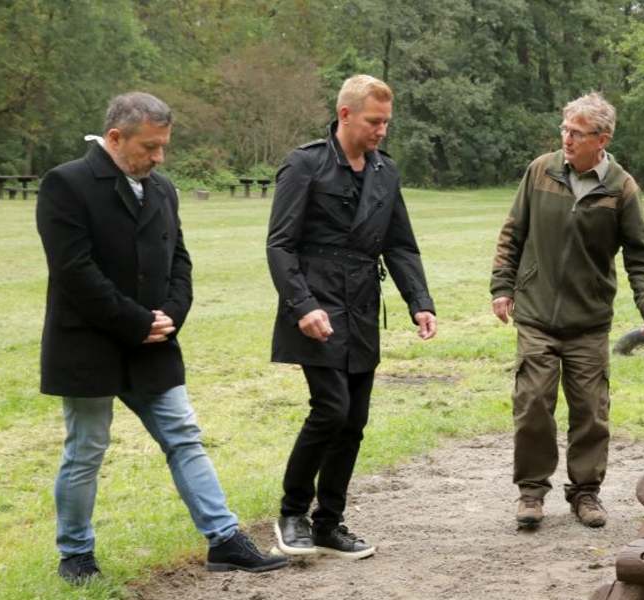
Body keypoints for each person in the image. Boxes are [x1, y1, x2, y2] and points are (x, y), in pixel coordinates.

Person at [36, 92, 288, 584]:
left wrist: (172, 314)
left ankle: (224, 539)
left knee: (184, 437)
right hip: (88, 342)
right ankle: (76, 555)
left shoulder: (163, 189)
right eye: (149, 147)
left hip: (153, 341)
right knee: (86, 449)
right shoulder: (66, 184)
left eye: (164, 146)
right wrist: (136, 321)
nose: (160, 158)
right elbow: (73, 270)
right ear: (115, 137)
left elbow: (180, 261)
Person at [267, 75, 438, 559]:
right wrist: (303, 306)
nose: (381, 130)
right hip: (315, 301)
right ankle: (292, 514)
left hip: (362, 303)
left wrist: (419, 302)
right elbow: (280, 244)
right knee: (331, 409)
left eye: (386, 122)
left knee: (354, 419)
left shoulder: (385, 172)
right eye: (373, 121)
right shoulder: (305, 164)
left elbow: (400, 244)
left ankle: (329, 522)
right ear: (345, 114)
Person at [490, 92, 644, 529]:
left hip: (588, 321)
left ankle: (585, 493)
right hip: (536, 314)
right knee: (532, 402)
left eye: (577, 133)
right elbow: (513, 232)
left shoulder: (621, 187)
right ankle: (531, 492)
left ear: (601, 139)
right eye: (564, 129)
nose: (566, 139)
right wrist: (502, 287)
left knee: (591, 411)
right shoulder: (540, 171)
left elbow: (641, 254)